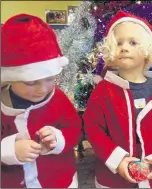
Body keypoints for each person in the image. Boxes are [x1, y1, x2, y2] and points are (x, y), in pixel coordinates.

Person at [83, 10, 152, 188]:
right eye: (118, 43)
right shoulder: (103, 91)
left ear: (147, 51)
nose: (124, 47)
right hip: (112, 179)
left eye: (133, 42)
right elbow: (93, 129)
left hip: (151, 178)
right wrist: (118, 160)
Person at [1, 14, 82, 188]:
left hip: (59, 181)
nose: (43, 89)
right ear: (9, 78)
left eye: (50, 79)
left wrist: (58, 139)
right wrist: (9, 151)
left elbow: (74, 129)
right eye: (31, 82)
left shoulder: (58, 99)